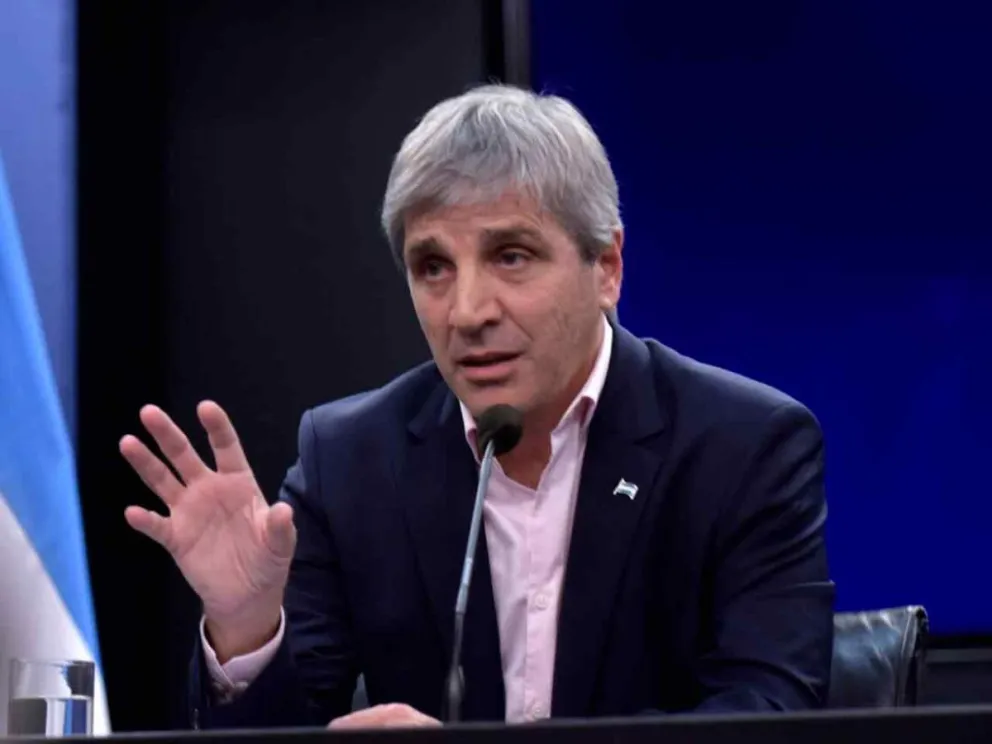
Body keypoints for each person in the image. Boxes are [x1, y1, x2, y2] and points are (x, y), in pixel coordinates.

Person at [119, 84, 834, 730]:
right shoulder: (350, 459)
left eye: (510, 256)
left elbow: (769, 715)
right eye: (433, 267)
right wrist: (247, 631)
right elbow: (287, 728)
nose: (467, 312)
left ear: (607, 267)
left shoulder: (743, 447)